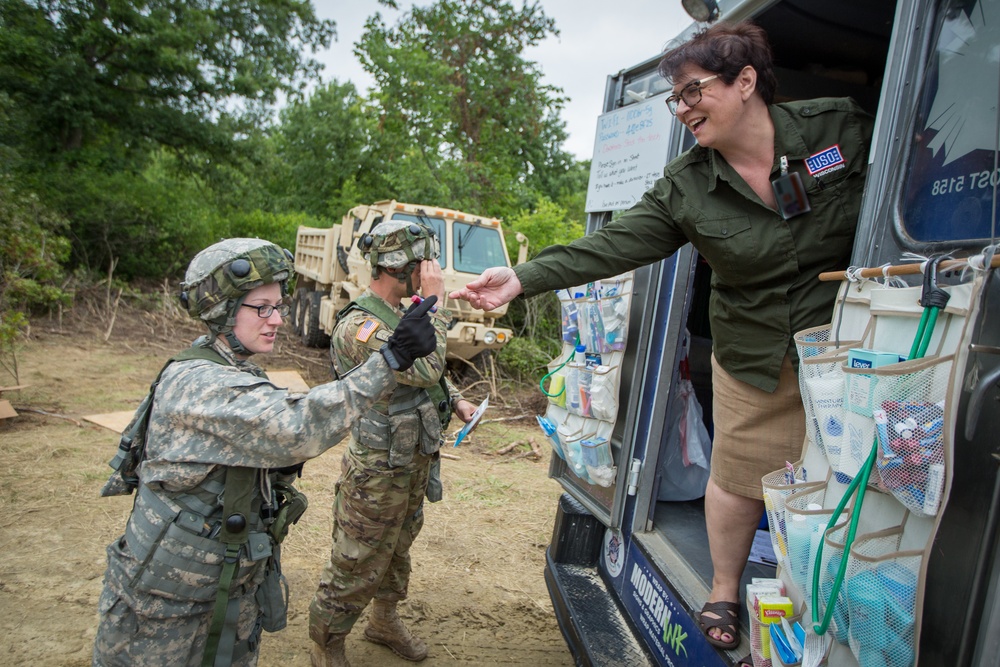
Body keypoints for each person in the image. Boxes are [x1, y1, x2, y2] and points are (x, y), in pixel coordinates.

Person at [449, 21, 874, 654]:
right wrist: (522, 278)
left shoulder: (837, 130)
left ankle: (824, 598)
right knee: (738, 477)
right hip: (755, 351)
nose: (682, 109)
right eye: (675, 98)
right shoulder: (688, 184)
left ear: (747, 82)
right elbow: (612, 244)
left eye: (691, 92)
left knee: (843, 481)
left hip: (847, 347)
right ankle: (725, 590)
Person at [92, 238, 439, 667]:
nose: (277, 320)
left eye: (279, 306)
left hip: (215, 592)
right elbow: (297, 427)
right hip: (167, 612)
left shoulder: (235, 370)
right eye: (262, 308)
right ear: (222, 310)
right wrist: (391, 358)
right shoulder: (199, 381)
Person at [309, 221, 476, 667]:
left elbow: (424, 379)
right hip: (377, 469)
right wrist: (436, 307)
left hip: (412, 458)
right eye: (423, 264)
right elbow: (421, 368)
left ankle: (383, 621)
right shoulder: (359, 327)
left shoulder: (402, 312)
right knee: (357, 556)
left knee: (398, 549)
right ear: (400, 267)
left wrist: (456, 401)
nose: (430, 272)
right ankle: (326, 642)